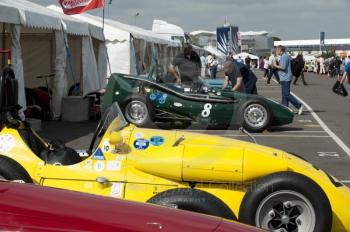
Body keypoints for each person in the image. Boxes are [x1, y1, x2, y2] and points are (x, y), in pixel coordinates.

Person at [275, 45, 304, 115]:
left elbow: (283, 67)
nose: (276, 51)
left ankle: (299, 105)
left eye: (277, 50)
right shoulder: (284, 56)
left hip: (286, 77)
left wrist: (275, 65)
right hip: (284, 77)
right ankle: (284, 108)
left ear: (280, 50)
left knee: (286, 94)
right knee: (284, 95)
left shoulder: (284, 56)